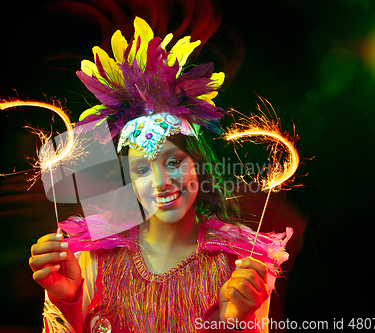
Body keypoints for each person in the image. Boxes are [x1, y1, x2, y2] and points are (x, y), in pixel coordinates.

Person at [29, 17, 292, 333]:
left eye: (173, 162)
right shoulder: (90, 258)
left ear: (198, 165)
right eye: (141, 169)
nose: (161, 181)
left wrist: (237, 321)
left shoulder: (239, 264)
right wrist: (67, 303)